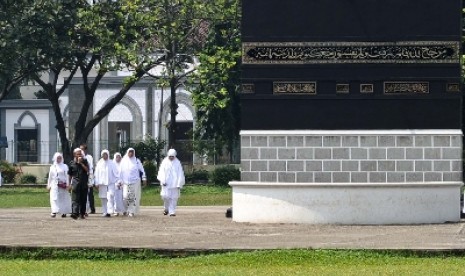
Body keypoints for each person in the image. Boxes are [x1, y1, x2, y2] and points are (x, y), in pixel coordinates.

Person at [157, 149, 185, 217]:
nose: (171, 157)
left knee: (174, 198)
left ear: (175, 156)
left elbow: (180, 173)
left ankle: (172, 211)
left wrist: (179, 183)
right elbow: (161, 172)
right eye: (170, 156)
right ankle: (166, 209)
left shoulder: (177, 163)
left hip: (174, 184)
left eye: (172, 156)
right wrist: (163, 181)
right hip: (166, 183)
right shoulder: (164, 162)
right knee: (165, 197)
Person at [120, 148, 146, 217]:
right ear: (127, 152)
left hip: (135, 181)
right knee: (125, 197)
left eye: (132, 152)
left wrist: (144, 178)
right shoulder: (123, 161)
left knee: (132, 197)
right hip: (125, 182)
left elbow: (142, 170)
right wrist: (119, 181)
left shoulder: (137, 161)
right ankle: (126, 209)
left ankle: (131, 211)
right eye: (129, 152)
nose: (131, 153)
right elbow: (120, 172)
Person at [94, 149, 120, 217]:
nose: (104, 156)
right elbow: (96, 174)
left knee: (110, 195)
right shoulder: (99, 163)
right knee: (103, 198)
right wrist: (96, 183)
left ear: (108, 155)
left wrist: (118, 181)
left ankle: (110, 210)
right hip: (102, 184)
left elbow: (116, 173)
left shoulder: (112, 163)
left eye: (106, 154)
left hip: (110, 183)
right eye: (103, 154)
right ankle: (105, 211)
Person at [47, 152, 72, 218]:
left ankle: (63, 212)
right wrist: (48, 185)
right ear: (55, 158)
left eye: (60, 158)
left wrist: (68, 184)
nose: (59, 159)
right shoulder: (52, 167)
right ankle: (54, 211)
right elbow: (50, 177)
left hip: (63, 185)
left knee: (63, 198)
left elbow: (67, 176)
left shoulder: (65, 166)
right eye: (58, 158)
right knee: (54, 198)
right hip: (54, 185)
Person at [68, 148, 89, 219]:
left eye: (80, 154)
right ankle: (75, 213)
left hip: (83, 184)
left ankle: (82, 213)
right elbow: (70, 174)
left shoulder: (85, 161)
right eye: (78, 154)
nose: (80, 155)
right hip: (75, 183)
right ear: (74, 155)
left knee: (83, 199)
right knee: (75, 199)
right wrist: (69, 184)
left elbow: (87, 170)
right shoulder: (71, 163)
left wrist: (81, 163)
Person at [80, 143, 95, 214]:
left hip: (89, 176)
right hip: (82, 176)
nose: (81, 151)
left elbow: (90, 167)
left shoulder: (89, 157)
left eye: (82, 149)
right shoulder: (79, 157)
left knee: (89, 193)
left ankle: (91, 208)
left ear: (85, 150)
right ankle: (84, 209)